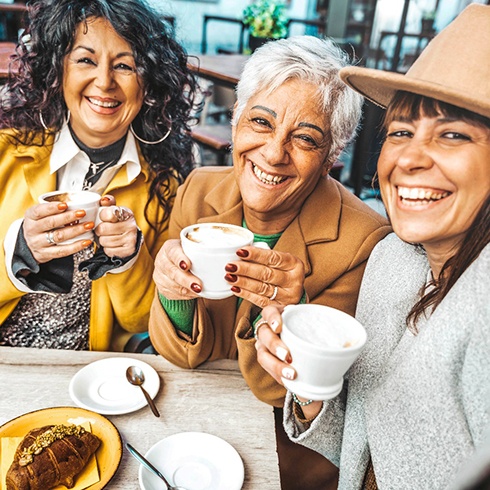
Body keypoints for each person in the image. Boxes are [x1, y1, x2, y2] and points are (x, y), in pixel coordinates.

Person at [255, 4, 490, 489]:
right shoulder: (393, 259)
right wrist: (309, 385)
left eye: (452, 134)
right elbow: (359, 445)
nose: (409, 158)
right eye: (400, 132)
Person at [149, 35, 391, 489]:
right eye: (261, 121)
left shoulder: (365, 241)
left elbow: (279, 393)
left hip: (282, 459)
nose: (274, 152)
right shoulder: (199, 189)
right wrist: (172, 291)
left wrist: (287, 313)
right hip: (191, 432)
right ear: (237, 122)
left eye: (305, 138)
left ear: (331, 157)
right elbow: (178, 350)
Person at [0, 0, 197, 351]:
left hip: (91, 374)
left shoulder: (165, 184)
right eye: (86, 60)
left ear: (147, 83)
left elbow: (140, 321)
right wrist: (19, 252)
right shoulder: (5, 151)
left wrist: (128, 258)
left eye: (124, 66)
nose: (104, 83)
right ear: (58, 69)